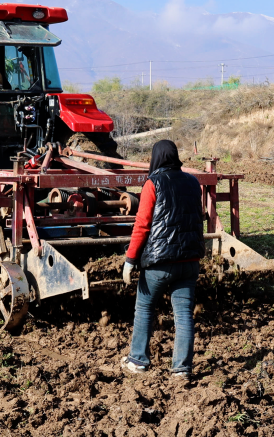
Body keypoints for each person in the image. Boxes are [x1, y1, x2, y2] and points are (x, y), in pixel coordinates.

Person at [120, 140, 204, 379]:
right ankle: (181, 369)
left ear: (155, 158)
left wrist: (130, 259)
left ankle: (137, 360)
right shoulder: (192, 182)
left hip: (160, 263)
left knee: (145, 307)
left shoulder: (153, 183)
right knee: (184, 314)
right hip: (189, 261)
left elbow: (143, 225)